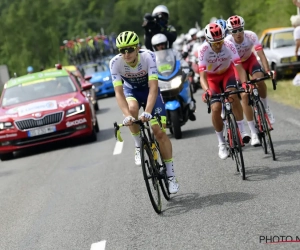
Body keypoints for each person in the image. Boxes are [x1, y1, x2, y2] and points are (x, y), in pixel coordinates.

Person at [109, 31, 179, 194]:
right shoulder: (115, 63)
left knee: (159, 133)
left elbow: (154, 87)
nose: (126, 54)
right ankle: (138, 144)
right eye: (122, 50)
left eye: (130, 50)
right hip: (131, 92)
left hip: (149, 92)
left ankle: (171, 176)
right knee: (132, 111)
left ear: (137, 48)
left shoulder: (148, 57)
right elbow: (119, 93)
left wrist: (148, 112)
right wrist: (127, 116)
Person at [198, 23, 249, 159]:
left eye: (220, 42)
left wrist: (244, 83)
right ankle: (221, 143)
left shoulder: (229, 45)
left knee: (233, 95)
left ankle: (242, 130)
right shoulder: (203, 50)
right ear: (208, 41)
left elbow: (239, 67)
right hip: (212, 78)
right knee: (215, 107)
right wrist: (207, 90)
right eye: (215, 43)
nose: (218, 45)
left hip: (227, 74)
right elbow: (202, 76)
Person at [225, 15, 275, 146]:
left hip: (250, 61)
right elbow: (231, 64)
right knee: (245, 95)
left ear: (243, 28)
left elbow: (261, 54)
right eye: (234, 31)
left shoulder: (251, 35)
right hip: (236, 66)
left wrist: (267, 70)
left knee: (259, 79)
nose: (238, 33)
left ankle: (265, 108)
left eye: (240, 29)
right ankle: (253, 133)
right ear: (230, 32)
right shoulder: (228, 42)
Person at [151, 33, 196, 120]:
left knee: (186, 81)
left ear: (166, 43)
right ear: (154, 47)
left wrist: (188, 69)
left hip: (173, 77)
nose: (161, 47)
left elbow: (182, 62)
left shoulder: (174, 53)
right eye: (158, 45)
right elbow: (149, 69)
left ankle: (190, 103)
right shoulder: (152, 57)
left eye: (162, 44)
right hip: (161, 81)